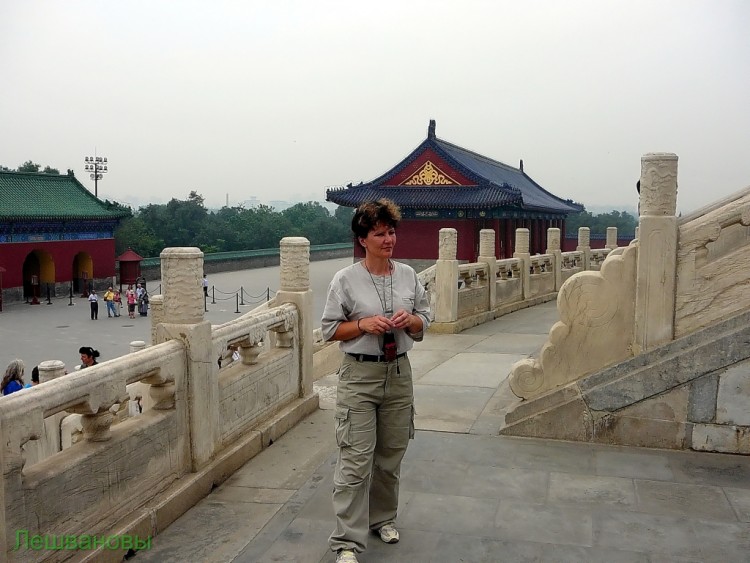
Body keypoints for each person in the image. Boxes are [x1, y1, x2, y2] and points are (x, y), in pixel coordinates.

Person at [321, 199, 430, 563]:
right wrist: (363, 325)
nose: (389, 240)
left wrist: (411, 321)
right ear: (362, 239)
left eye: (392, 232)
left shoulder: (408, 276)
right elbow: (329, 330)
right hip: (359, 375)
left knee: (390, 455)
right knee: (355, 458)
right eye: (380, 234)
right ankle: (347, 542)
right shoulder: (345, 280)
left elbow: (424, 320)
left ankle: (383, 518)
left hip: (398, 372)